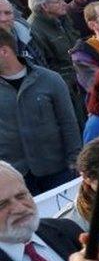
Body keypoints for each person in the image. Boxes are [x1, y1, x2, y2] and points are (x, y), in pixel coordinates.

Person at [0, 27, 81, 194]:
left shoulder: (50, 79)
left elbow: (68, 123)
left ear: (4, 51)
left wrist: (75, 160)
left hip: (58, 171)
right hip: (14, 177)